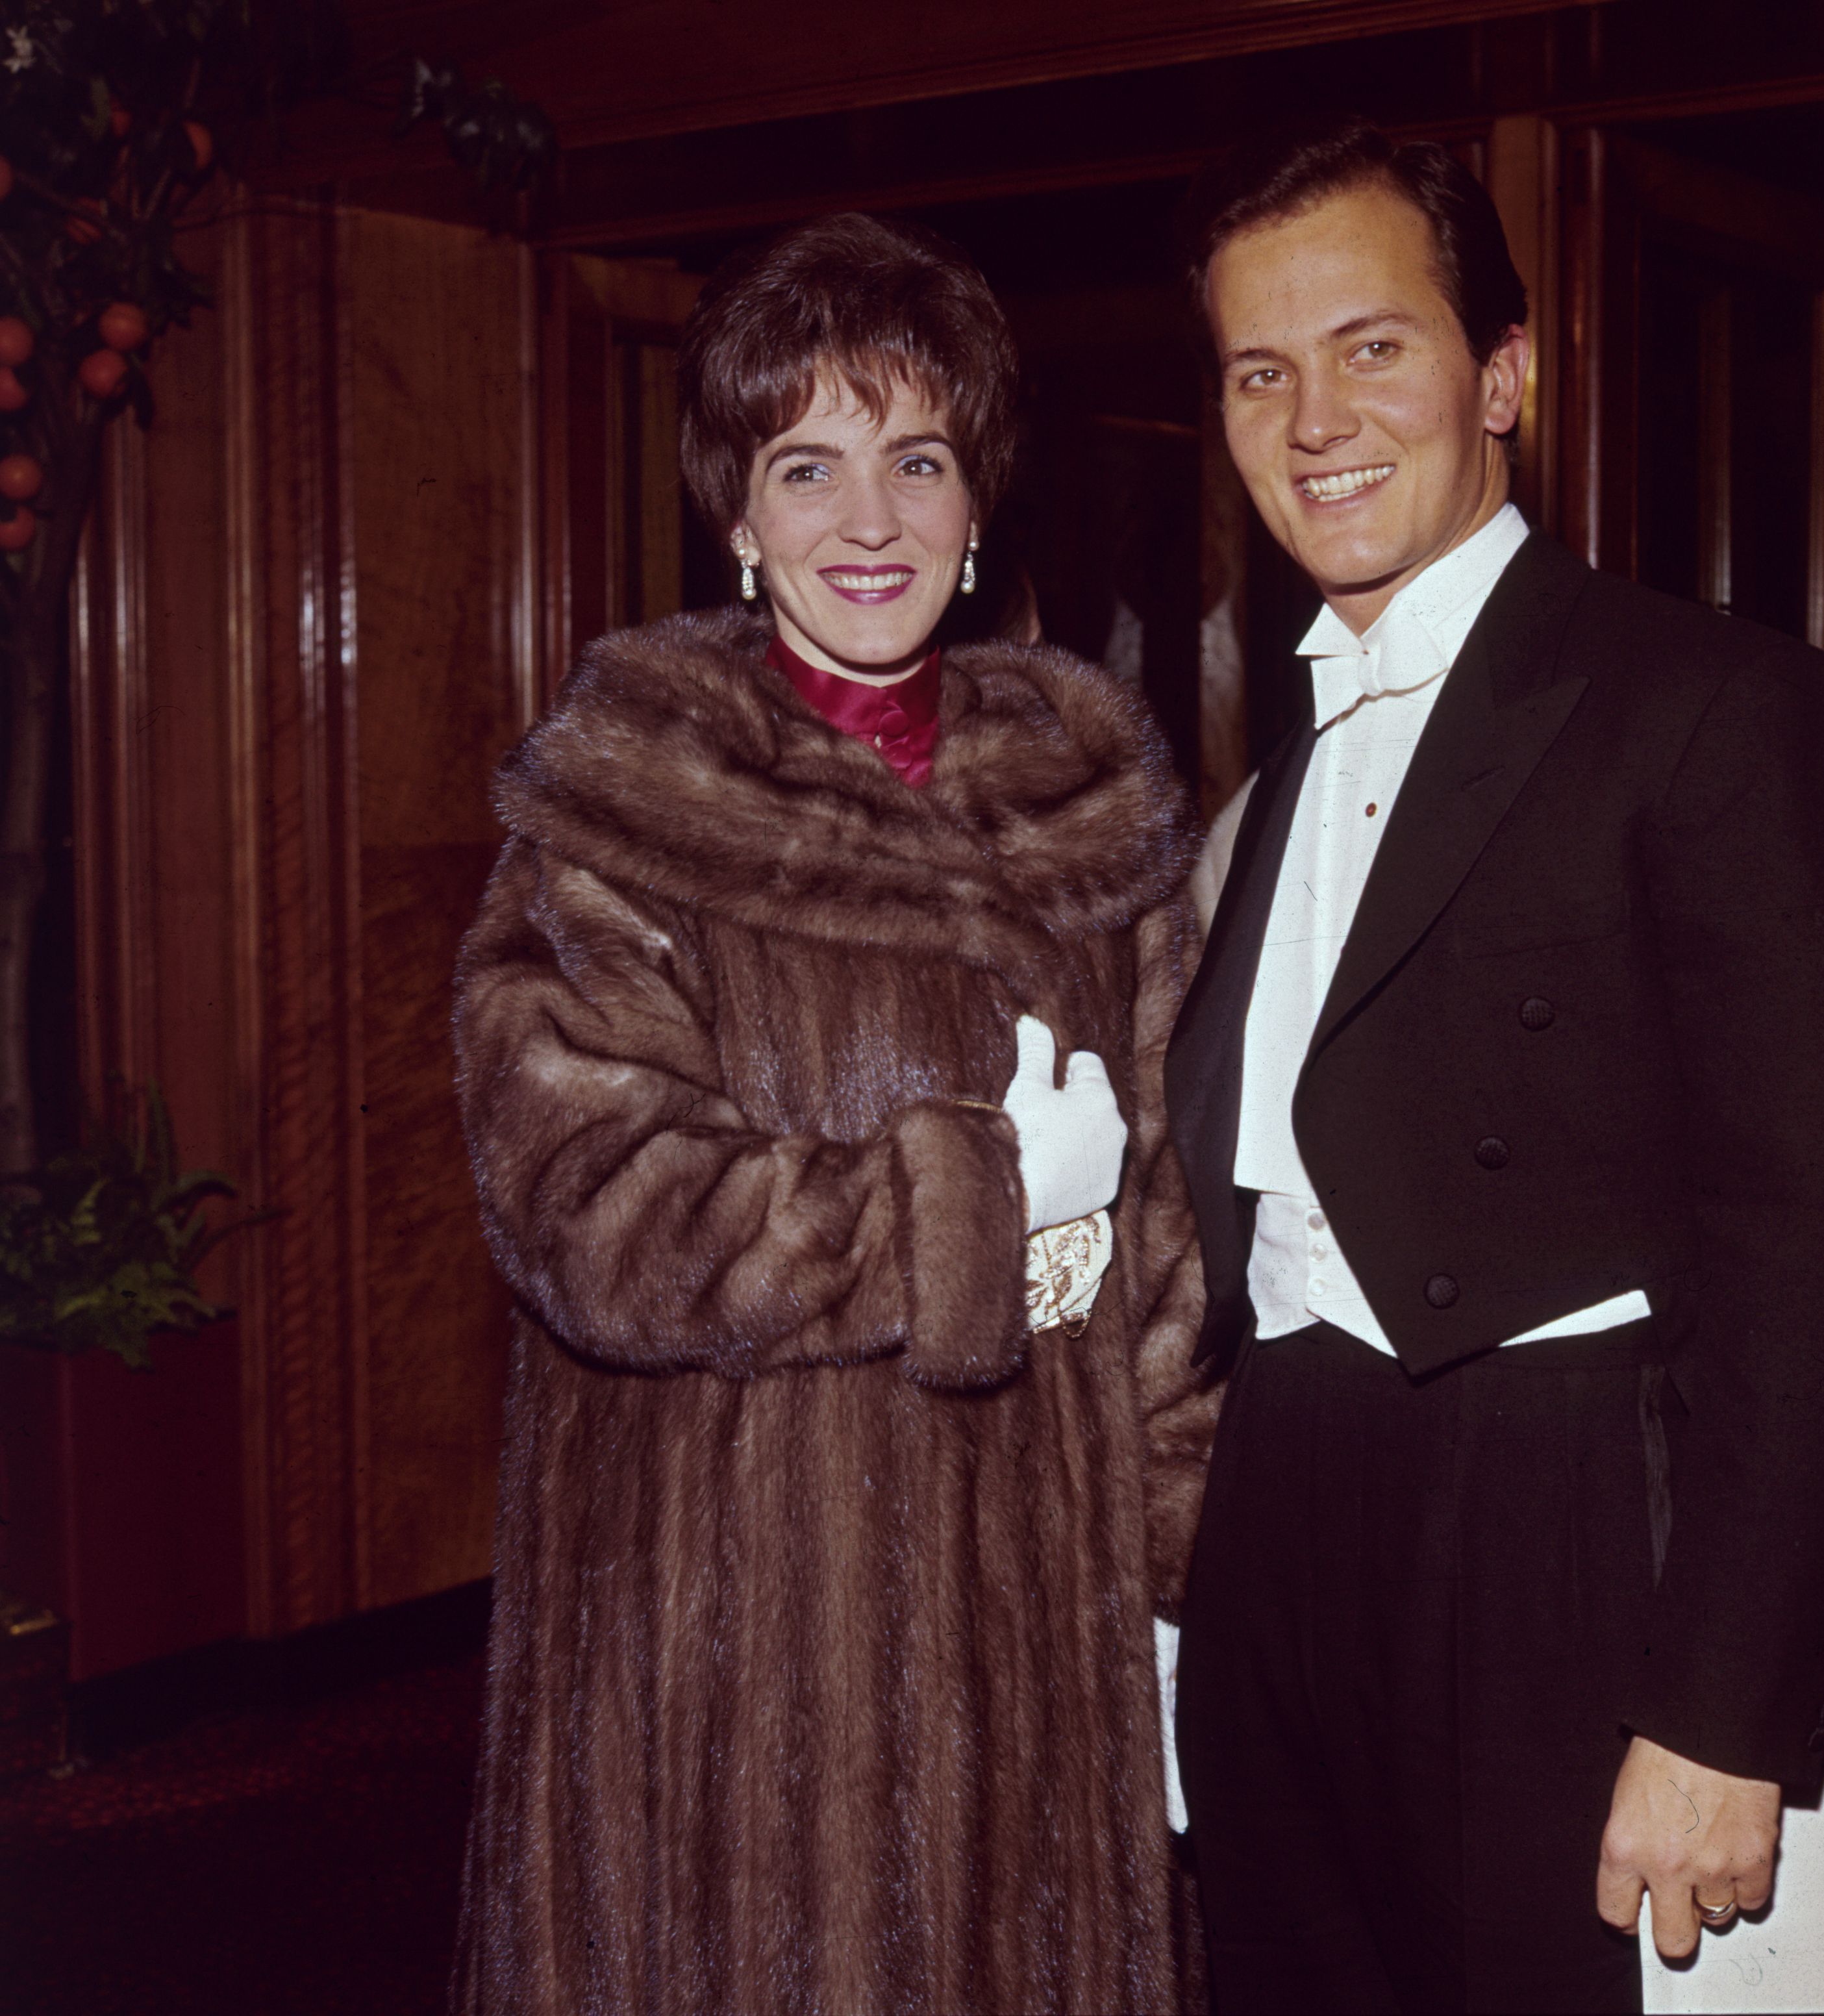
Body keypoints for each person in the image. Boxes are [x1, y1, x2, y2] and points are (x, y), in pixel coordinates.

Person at [1164, 117, 1824, 2013]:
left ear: (1501, 377)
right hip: (1288, 1509)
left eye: (1373, 347)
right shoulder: (1273, 770)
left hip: (1567, 1530)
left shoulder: (1713, 709)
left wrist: (1727, 1713)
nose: (1313, 416)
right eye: (1258, 372)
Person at [450, 211, 1214, 2016]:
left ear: (972, 510)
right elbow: (597, 1207)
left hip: (1038, 1629)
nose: (865, 524)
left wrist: (1179, 1598)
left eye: (914, 461)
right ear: (737, 515)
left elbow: (1168, 1270)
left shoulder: (1097, 824)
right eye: (808, 467)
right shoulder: (623, 808)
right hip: (723, 1640)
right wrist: (977, 1199)